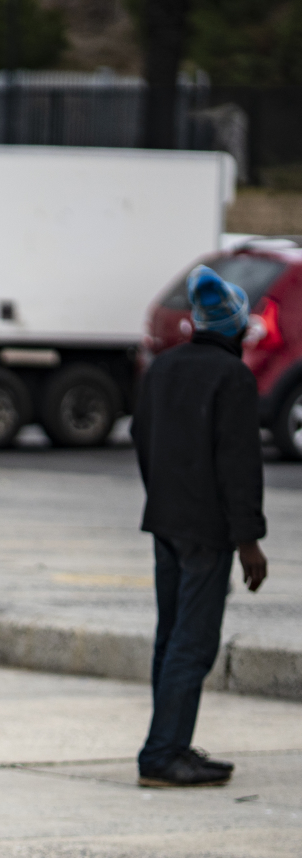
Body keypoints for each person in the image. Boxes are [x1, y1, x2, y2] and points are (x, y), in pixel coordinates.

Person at [132, 264, 268, 788]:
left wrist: (162, 501)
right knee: (193, 642)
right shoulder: (233, 377)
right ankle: (163, 754)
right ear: (233, 324)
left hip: (165, 522)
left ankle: (168, 743)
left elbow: (144, 442)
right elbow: (239, 466)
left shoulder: (162, 369)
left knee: (171, 638)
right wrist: (248, 540)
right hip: (206, 532)